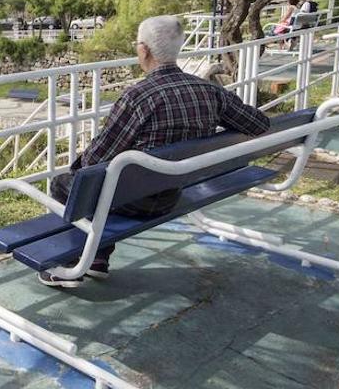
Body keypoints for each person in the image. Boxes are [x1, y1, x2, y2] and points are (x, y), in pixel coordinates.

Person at [40, 15, 270, 289]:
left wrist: (75, 171)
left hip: (137, 200)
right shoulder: (209, 91)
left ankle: (73, 264)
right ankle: (98, 259)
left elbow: (94, 159)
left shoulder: (139, 97)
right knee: (107, 184)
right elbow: (259, 124)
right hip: (172, 193)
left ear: (143, 50)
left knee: (68, 185)